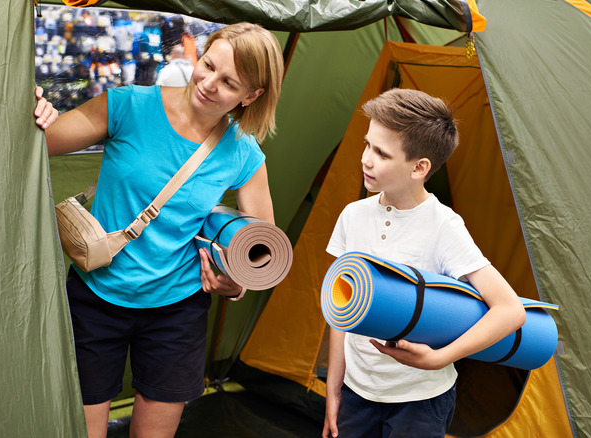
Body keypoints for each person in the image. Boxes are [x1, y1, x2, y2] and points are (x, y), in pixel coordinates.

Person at [34, 22, 284, 438]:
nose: (208, 83)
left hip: (176, 312)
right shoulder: (129, 106)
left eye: (229, 83)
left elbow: (263, 249)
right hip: (96, 299)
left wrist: (233, 284)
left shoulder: (243, 153)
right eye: (207, 65)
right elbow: (40, 143)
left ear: (251, 95)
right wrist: (36, 110)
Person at [322, 89, 527, 438]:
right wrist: (333, 386)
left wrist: (439, 357)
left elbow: (510, 310)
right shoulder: (352, 216)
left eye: (382, 153)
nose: (366, 159)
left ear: (420, 168)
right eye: (367, 144)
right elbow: (341, 308)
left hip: (419, 401)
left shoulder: (443, 227)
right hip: (357, 393)